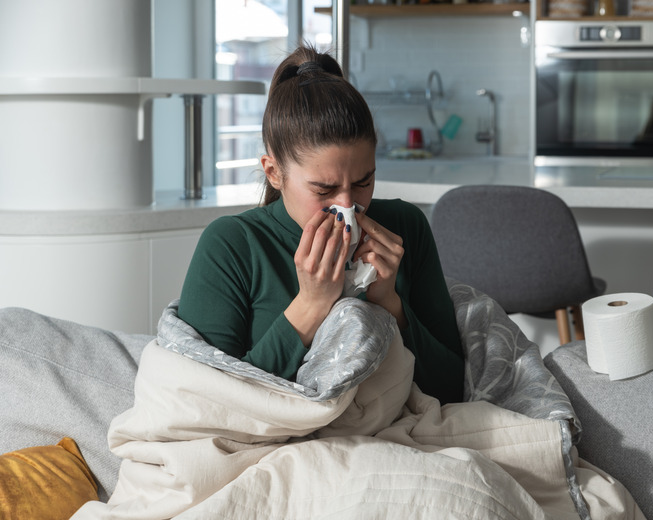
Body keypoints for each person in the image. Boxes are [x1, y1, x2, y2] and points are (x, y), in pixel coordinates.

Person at [177, 45, 464, 405]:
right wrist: (310, 305)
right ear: (274, 172)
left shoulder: (406, 227)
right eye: (324, 189)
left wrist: (390, 305)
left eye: (364, 181)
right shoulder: (232, 245)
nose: (347, 204)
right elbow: (210, 405)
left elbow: (454, 389)